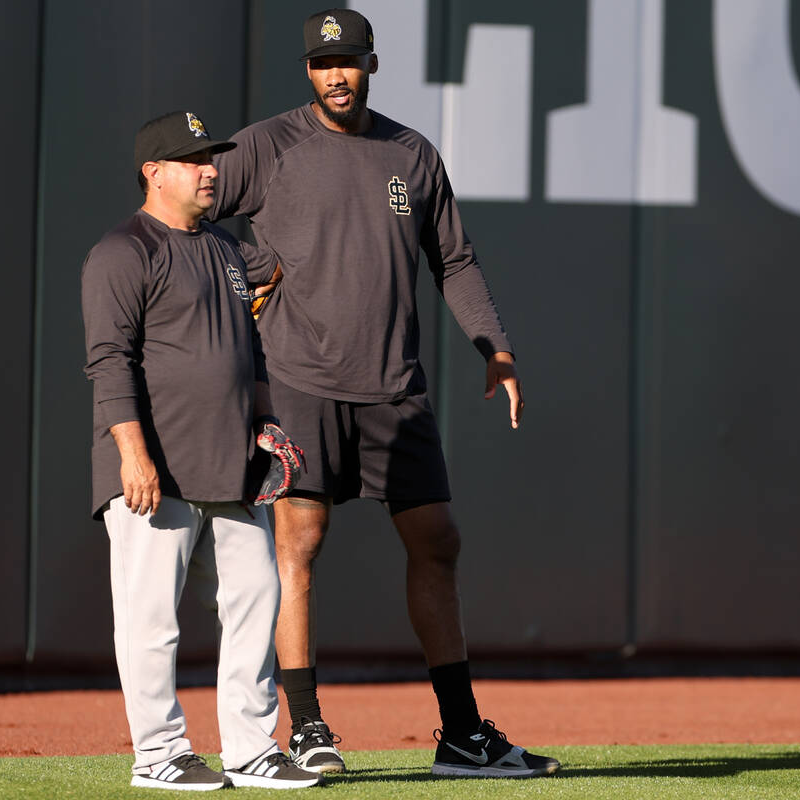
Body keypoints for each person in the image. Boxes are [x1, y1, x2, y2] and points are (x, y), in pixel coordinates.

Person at [209, 9, 560, 779]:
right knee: (298, 548)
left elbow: (456, 262)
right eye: (322, 64)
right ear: (308, 70)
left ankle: (463, 735)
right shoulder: (268, 145)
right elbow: (191, 212)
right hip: (301, 383)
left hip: (396, 388)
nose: (336, 75)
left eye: (350, 61)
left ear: (373, 62)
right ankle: (306, 728)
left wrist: (495, 349)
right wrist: (247, 273)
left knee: (437, 542)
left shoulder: (411, 153)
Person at [81, 110, 319, 791]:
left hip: (233, 461)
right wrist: (133, 453)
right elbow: (109, 362)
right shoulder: (123, 251)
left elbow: (251, 341)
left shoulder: (223, 248)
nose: (211, 168)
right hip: (155, 464)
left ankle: (251, 750)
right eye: (193, 159)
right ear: (154, 173)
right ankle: (158, 754)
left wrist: (267, 419)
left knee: (256, 598)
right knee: (152, 619)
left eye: (210, 157)